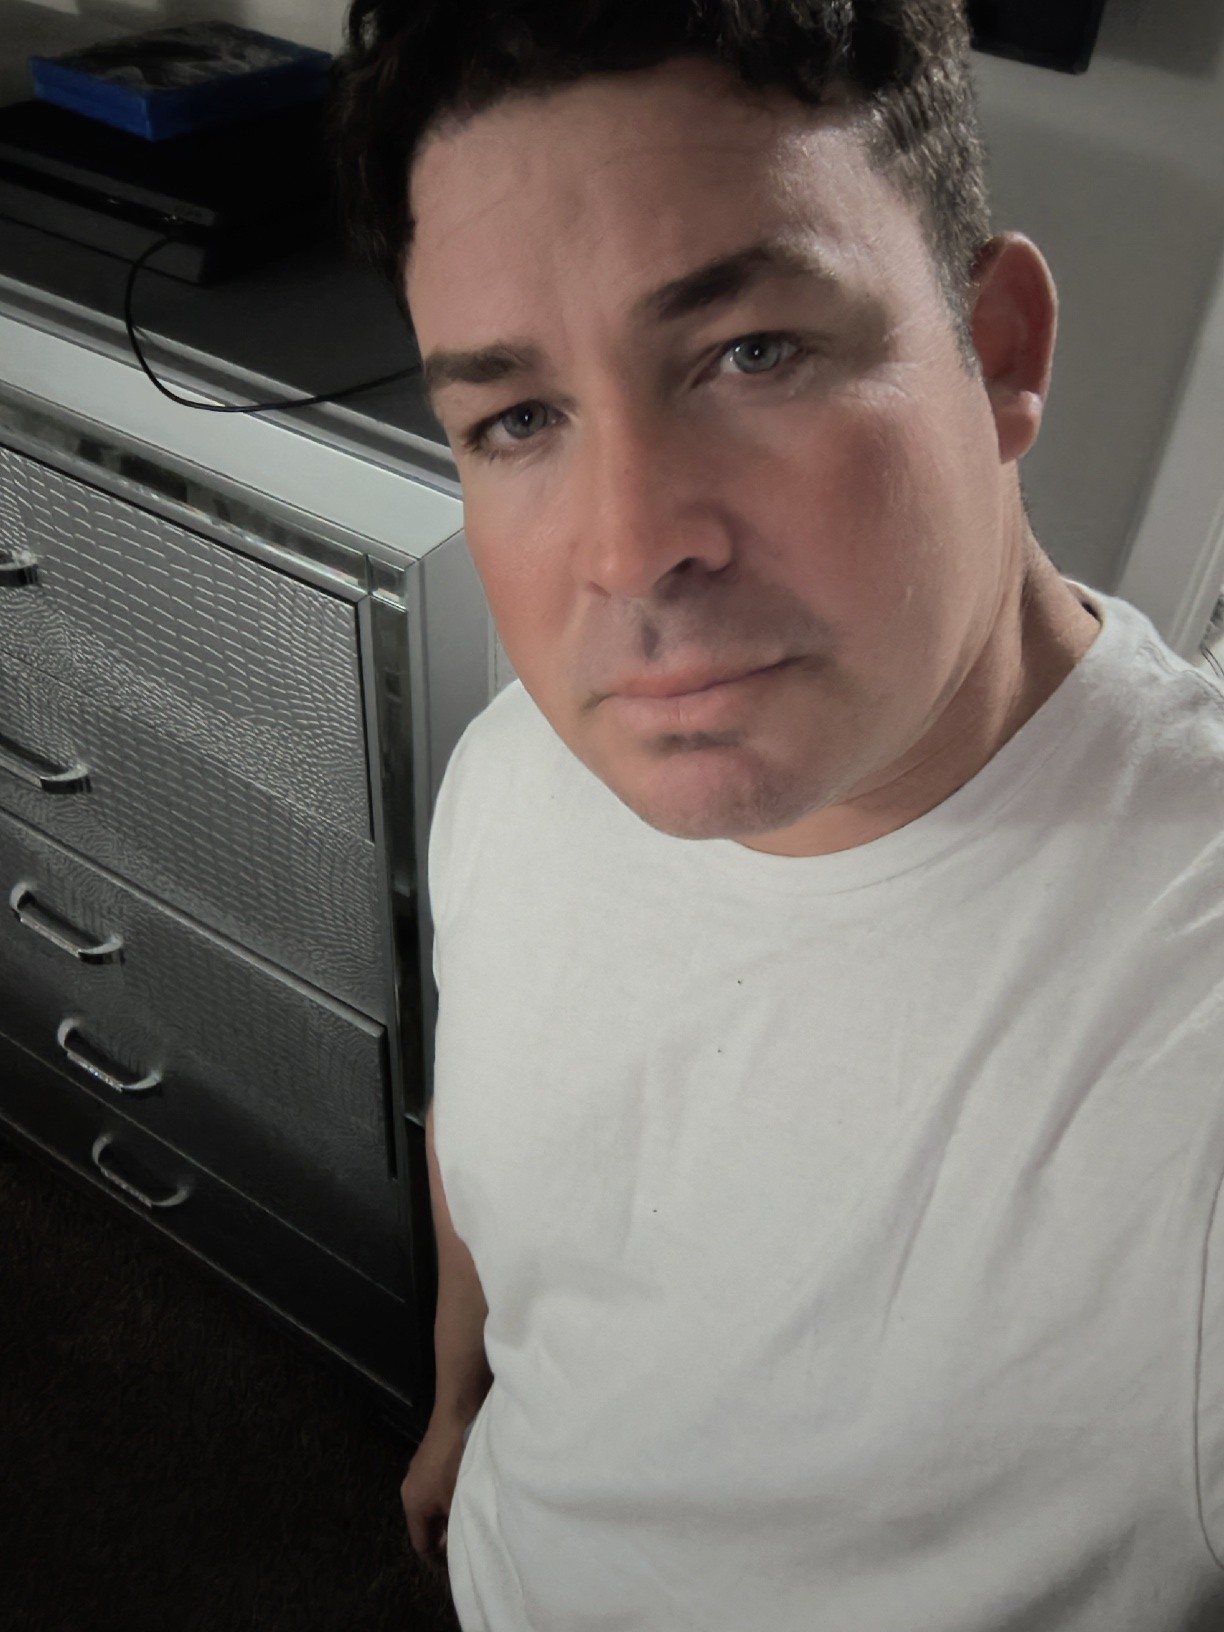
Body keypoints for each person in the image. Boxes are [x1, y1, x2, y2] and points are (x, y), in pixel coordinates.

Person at [331, 3, 1224, 1627]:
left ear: (999, 350)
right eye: (517, 419)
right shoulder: (516, 769)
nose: (628, 550)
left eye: (752, 353)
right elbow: (489, 1142)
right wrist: (464, 1404)